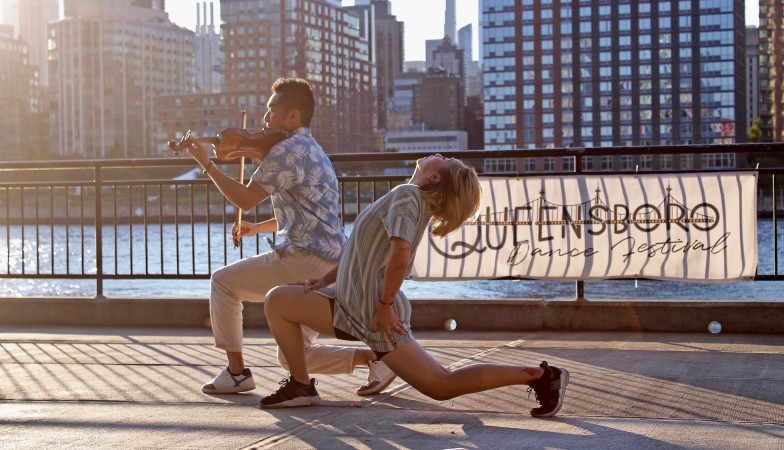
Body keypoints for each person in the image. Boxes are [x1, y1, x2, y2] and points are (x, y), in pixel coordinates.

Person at [261, 154, 569, 417]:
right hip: (354, 303)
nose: (441, 154)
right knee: (279, 301)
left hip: (372, 309)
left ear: (435, 176)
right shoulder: (407, 196)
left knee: (441, 385)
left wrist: (383, 307)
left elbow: (400, 253)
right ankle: (300, 385)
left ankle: (544, 376)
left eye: (446, 159)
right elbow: (366, 252)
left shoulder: (408, 197)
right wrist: (324, 280)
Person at [184, 77, 396, 396]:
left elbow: (243, 199)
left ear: (293, 116)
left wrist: (207, 164)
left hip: (303, 261)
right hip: (331, 267)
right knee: (292, 356)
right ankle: (376, 359)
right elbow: (302, 218)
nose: (265, 120)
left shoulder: (284, 151)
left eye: (272, 111)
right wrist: (255, 228)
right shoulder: (312, 149)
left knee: (222, 282)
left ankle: (237, 372)